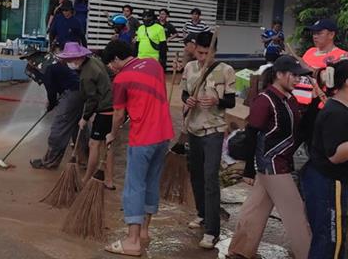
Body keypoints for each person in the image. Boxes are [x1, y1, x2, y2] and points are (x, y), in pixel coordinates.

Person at [226, 56, 315, 259]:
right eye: (293, 75)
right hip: (272, 165)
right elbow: (251, 134)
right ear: (279, 75)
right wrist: (249, 169)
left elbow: (299, 131)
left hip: (280, 162)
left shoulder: (289, 99)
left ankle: (239, 250)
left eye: (298, 76)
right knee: (296, 215)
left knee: (255, 209)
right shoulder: (264, 100)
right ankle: (310, 254)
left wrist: (317, 102)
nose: (297, 80)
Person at [102, 40, 174, 257]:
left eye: (110, 64)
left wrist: (113, 134)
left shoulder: (121, 79)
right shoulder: (154, 64)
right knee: (151, 182)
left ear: (115, 60)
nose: (111, 69)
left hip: (143, 137)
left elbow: (118, 115)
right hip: (164, 134)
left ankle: (132, 242)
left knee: (134, 186)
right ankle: (144, 231)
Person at [181, 31, 236, 249]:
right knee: (196, 175)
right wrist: (189, 100)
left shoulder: (226, 70)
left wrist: (216, 100)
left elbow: (231, 101)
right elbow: (184, 94)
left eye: (206, 53)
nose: (202, 58)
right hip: (193, 128)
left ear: (213, 51)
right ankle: (202, 214)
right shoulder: (189, 68)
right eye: (199, 53)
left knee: (210, 178)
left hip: (214, 129)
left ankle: (212, 231)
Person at [301, 59, 348, 259]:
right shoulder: (336, 113)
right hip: (328, 184)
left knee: (334, 238)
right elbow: (336, 156)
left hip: (331, 182)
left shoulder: (339, 108)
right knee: (329, 240)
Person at [57, 42, 115, 189]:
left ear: (77, 59)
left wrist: (85, 118)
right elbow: (111, 74)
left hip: (104, 108)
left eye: (69, 60)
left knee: (94, 144)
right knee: (106, 144)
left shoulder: (87, 75)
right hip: (111, 105)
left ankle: (87, 178)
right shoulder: (94, 60)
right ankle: (108, 180)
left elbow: (92, 99)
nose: (69, 63)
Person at [30, 47, 82, 170]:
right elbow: (56, 86)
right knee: (77, 126)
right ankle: (84, 158)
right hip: (79, 93)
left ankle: (50, 162)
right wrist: (53, 101)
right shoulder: (53, 63)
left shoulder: (47, 68)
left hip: (72, 95)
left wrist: (52, 104)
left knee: (59, 128)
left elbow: (51, 91)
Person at [293, 19, 347, 106]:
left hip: (321, 106)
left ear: (331, 34)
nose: (315, 36)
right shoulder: (310, 51)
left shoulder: (342, 56)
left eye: (319, 33)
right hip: (298, 103)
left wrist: (308, 68)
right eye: (314, 33)